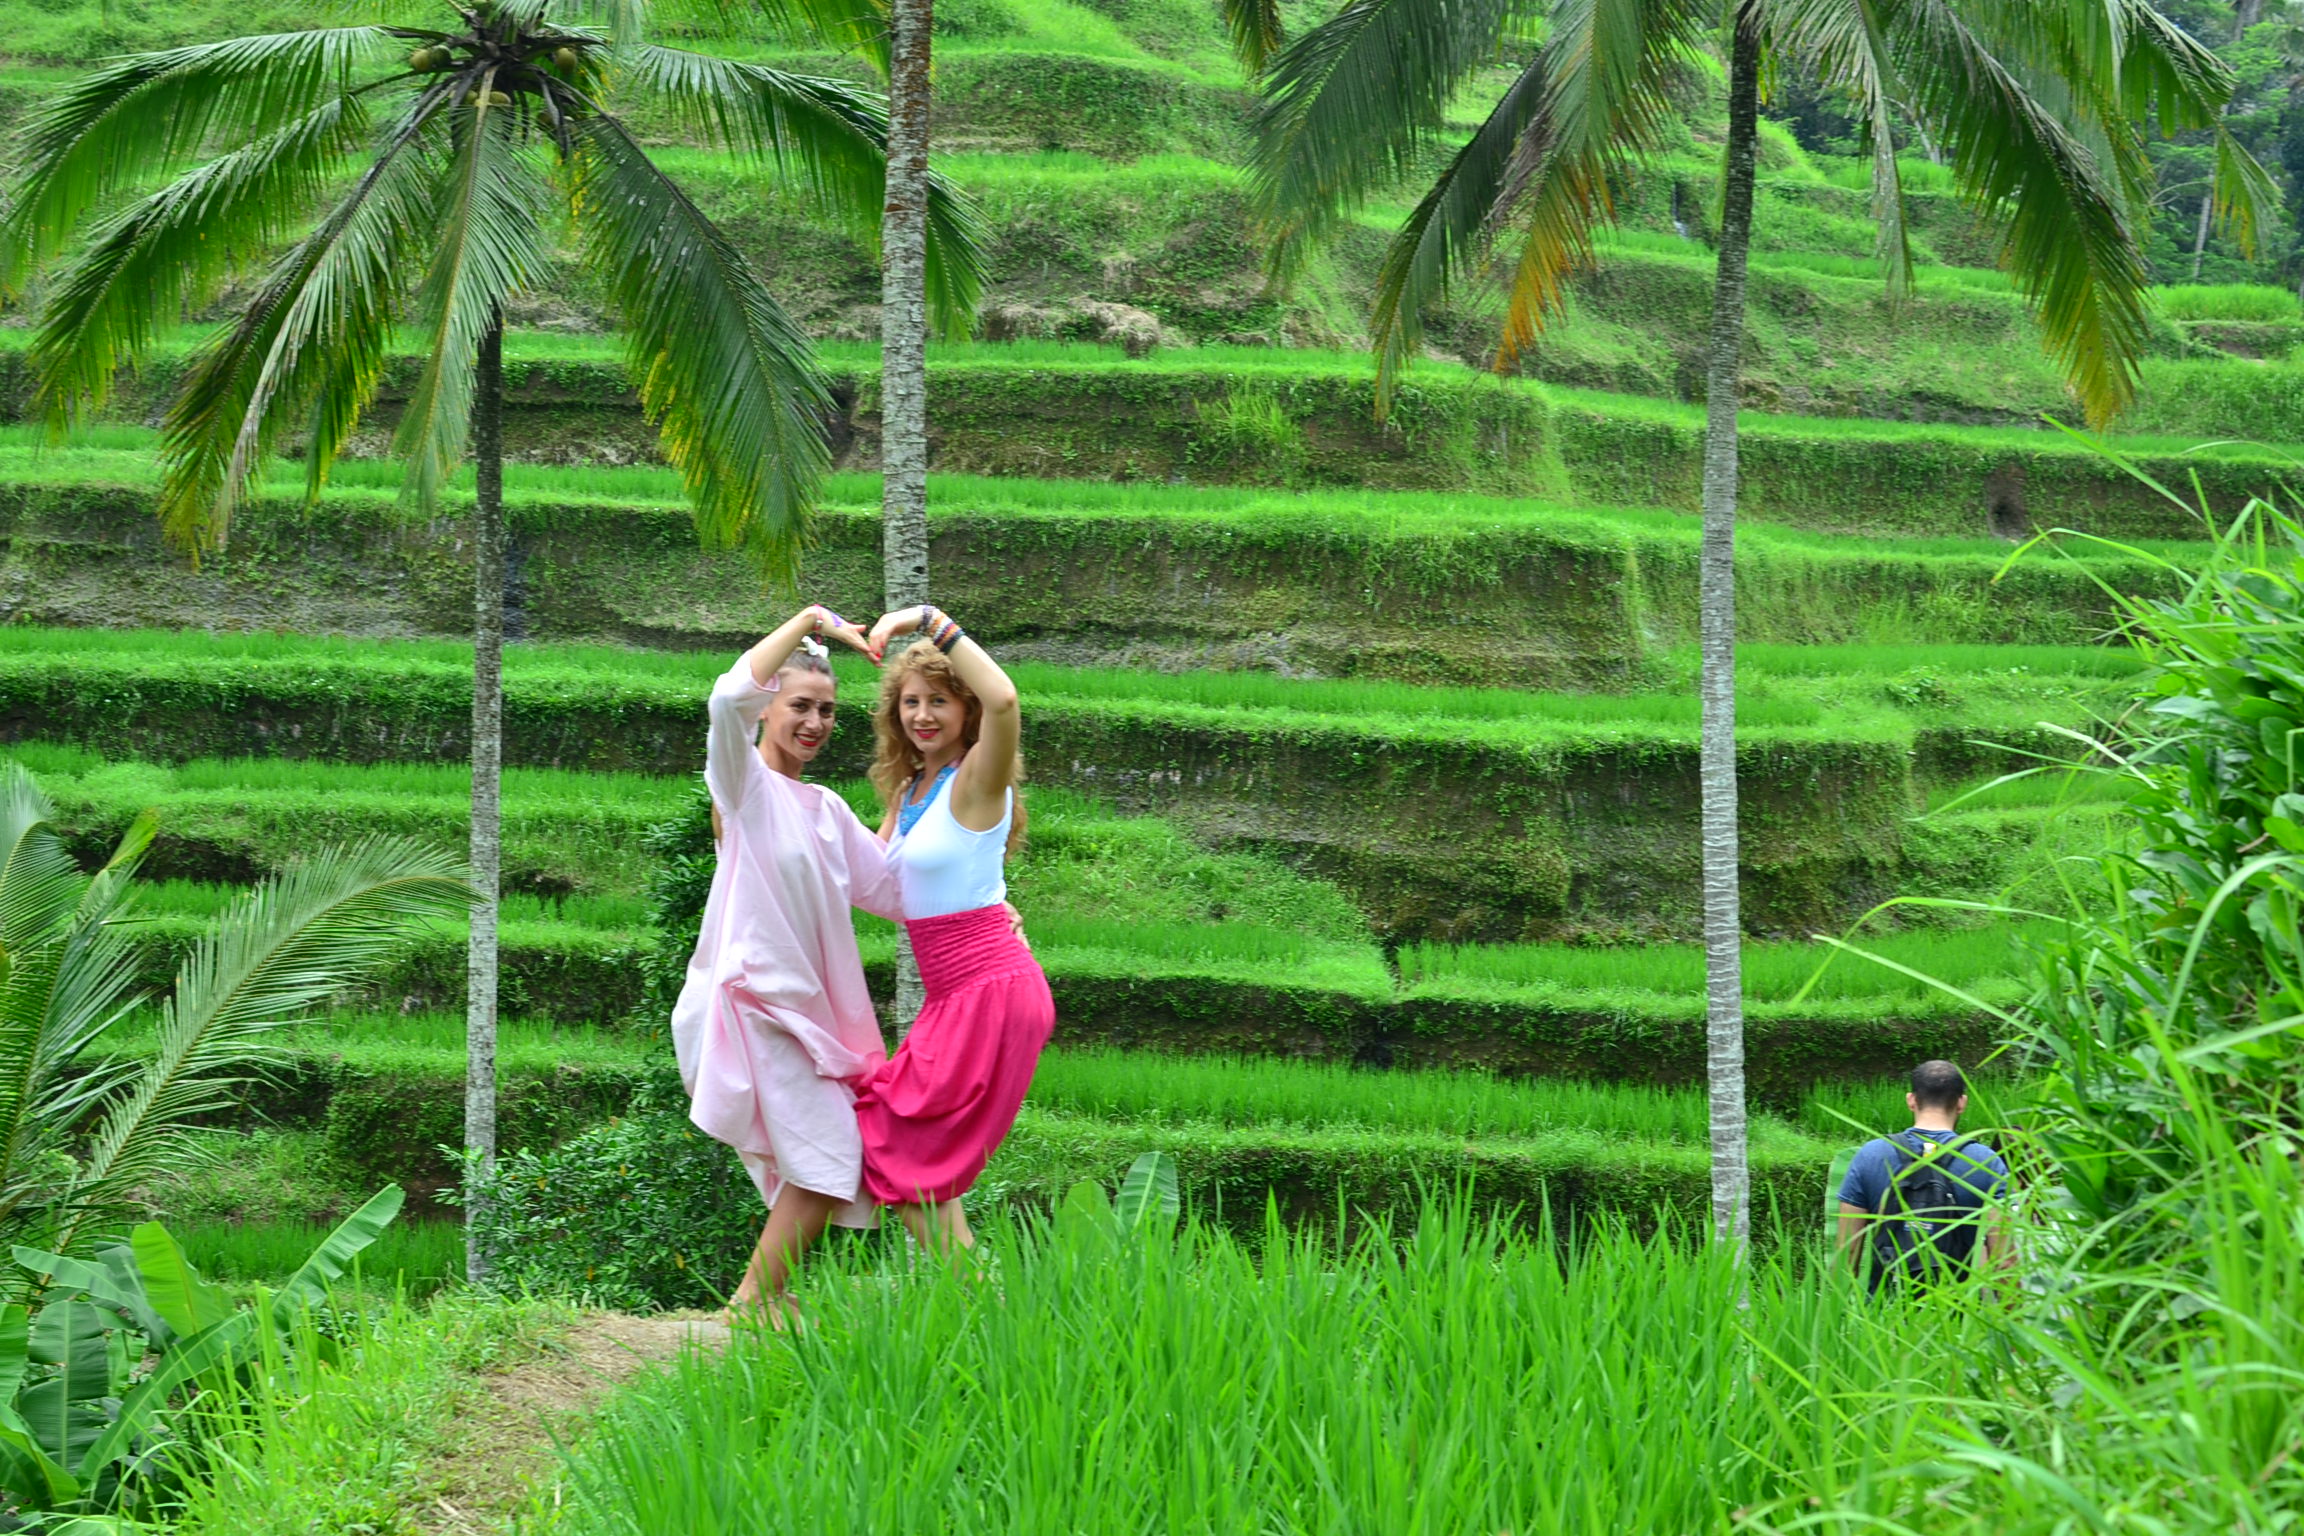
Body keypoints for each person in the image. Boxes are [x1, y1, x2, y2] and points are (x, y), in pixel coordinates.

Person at [671, 602, 897, 1321]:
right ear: (768, 709)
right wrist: (811, 620)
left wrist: (988, 908)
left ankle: (759, 1299)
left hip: (810, 1015)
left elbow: (890, 887)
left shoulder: (826, 807)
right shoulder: (744, 787)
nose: (815, 722)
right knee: (832, 1153)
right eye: (800, 705)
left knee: (832, 1158)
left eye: (827, 711)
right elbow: (724, 699)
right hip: (760, 1004)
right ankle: (750, 1302)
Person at [850, 602, 1056, 1257]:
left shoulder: (976, 779)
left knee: (894, 1139)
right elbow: (876, 886)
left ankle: (971, 1288)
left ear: (966, 710)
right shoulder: (909, 791)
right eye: (910, 702)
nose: (923, 715)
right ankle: (975, 1292)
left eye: (939, 700)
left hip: (989, 988)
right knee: (913, 1155)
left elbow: (1006, 700)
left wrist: (926, 618)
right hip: (954, 994)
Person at [1836, 1059, 2010, 1295]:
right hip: (1958, 1311)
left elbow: (1846, 1253)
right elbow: (2005, 1261)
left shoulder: (1871, 1155)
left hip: (1884, 1310)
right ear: (1962, 1103)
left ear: (1911, 1100)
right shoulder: (1986, 1162)